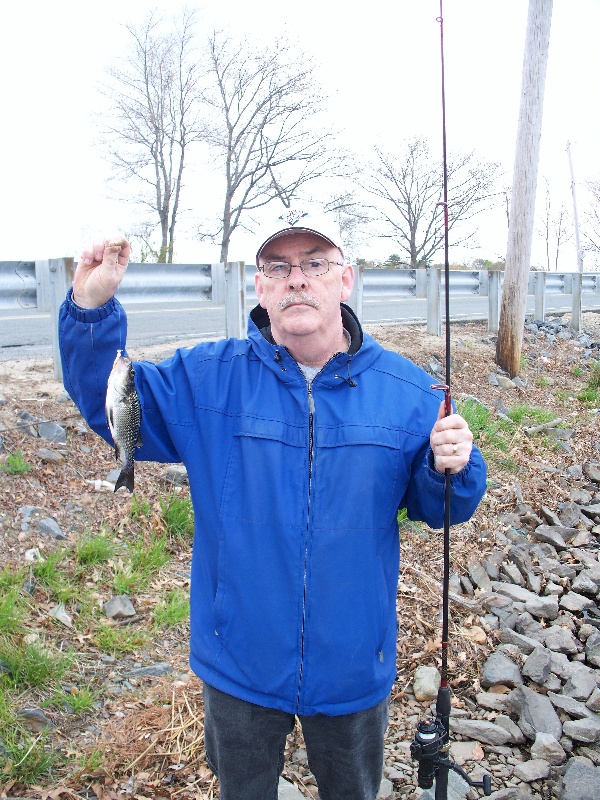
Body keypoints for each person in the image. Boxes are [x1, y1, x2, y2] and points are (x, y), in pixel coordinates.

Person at [59, 208, 487, 800]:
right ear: (258, 286)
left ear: (346, 278)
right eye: (278, 267)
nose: (296, 279)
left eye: (315, 264)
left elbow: (441, 506)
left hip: (353, 664)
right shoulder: (204, 378)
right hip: (238, 664)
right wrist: (90, 311)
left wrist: (456, 466)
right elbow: (106, 399)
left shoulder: (413, 392)